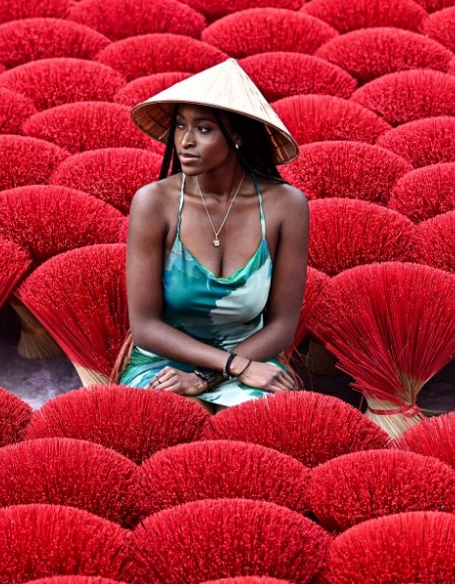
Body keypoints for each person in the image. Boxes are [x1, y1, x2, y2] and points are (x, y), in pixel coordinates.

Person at [115, 58, 310, 411]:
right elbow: (144, 327)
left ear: (236, 135)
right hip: (164, 365)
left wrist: (214, 375)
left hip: (249, 360)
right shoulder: (154, 203)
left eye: (204, 129)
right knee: (181, 418)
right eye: (179, 125)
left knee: (264, 424)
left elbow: (282, 324)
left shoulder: (285, 206)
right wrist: (231, 367)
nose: (185, 141)